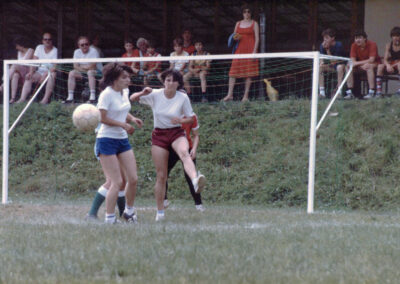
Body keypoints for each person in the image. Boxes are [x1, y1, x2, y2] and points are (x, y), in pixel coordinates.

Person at [130, 69, 206, 221]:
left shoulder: (183, 97)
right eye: (168, 80)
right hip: (159, 135)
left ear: (178, 84)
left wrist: (180, 121)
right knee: (161, 176)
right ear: (164, 81)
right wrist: (142, 92)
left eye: (174, 81)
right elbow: (132, 98)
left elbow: (191, 119)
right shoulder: (155, 94)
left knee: (185, 153)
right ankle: (160, 213)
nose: (170, 83)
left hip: (176, 133)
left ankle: (195, 180)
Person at [96, 63, 143, 224]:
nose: (128, 80)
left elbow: (122, 110)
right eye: (124, 77)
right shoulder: (106, 94)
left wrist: (131, 119)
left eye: (128, 77)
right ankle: (109, 218)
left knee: (133, 178)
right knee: (116, 182)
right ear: (114, 79)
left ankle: (128, 212)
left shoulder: (125, 91)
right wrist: (123, 124)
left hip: (122, 140)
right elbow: (102, 118)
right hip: (106, 140)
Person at [163, 114, 205, 212]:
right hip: (172, 148)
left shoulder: (192, 116)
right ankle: (163, 199)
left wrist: (194, 149)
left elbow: (196, 135)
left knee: (191, 177)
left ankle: (199, 205)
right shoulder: (170, 113)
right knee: (163, 173)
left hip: (188, 149)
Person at [222, 4, 259, 102]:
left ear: (251, 13)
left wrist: (254, 52)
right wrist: (235, 37)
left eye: (248, 12)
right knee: (232, 72)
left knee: (248, 74)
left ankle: (245, 96)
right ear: (242, 13)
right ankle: (230, 95)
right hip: (239, 50)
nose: (247, 14)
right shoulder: (238, 23)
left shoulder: (254, 23)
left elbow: (257, 38)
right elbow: (234, 36)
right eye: (245, 12)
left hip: (250, 50)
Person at [18, 32, 58, 104]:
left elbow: (55, 67)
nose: (47, 41)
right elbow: (34, 61)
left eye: (49, 39)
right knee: (29, 77)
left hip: (49, 72)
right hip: (39, 72)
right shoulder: (39, 48)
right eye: (45, 39)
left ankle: (45, 99)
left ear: (52, 41)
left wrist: (45, 75)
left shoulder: (55, 50)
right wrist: (30, 72)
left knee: (53, 75)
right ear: (42, 41)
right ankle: (22, 99)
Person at [344, 30, 380, 99]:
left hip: (374, 64)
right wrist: (360, 65)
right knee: (348, 66)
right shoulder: (353, 45)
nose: (357, 40)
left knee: (368, 66)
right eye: (356, 38)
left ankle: (371, 92)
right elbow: (353, 61)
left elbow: (371, 60)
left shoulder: (372, 44)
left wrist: (359, 64)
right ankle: (350, 92)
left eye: (359, 38)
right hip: (361, 65)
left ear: (365, 38)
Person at [65, 36, 100, 104]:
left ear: (89, 44)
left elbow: (93, 66)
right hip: (83, 72)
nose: (84, 46)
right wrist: (85, 67)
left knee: (90, 72)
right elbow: (75, 66)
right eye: (82, 45)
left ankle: (92, 97)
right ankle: (70, 97)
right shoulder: (76, 52)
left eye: (86, 44)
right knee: (71, 73)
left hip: (96, 72)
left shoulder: (93, 51)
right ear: (79, 46)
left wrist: (81, 66)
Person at [0, 37, 34, 104]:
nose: (16, 48)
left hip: (28, 71)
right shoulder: (19, 52)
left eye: (17, 46)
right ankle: (13, 98)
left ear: (21, 45)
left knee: (14, 65)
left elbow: (24, 63)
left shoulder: (31, 50)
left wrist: (14, 64)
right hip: (21, 71)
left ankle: (3, 85)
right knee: (15, 75)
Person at [318, 28, 346, 98]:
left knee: (339, 67)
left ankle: (339, 92)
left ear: (333, 38)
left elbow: (334, 62)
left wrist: (327, 50)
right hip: (331, 66)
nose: (325, 40)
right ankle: (322, 92)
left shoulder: (339, 45)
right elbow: (321, 59)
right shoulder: (322, 46)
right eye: (324, 38)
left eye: (327, 38)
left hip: (341, 67)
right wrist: (321, 63)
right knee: (319, 67)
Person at [376, 26, 400, 97]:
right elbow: (385, 59)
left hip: (398, 63)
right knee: (380, 66)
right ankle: (378, 91)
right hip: (392, 63)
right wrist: (388, 65)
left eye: (398, 36)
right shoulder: (389, 45)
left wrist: (392, 65)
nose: (395, 38)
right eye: (394, 36)